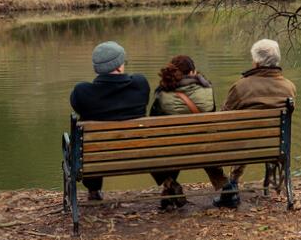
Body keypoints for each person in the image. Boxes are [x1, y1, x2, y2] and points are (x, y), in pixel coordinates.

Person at [212, 39, 296, 208]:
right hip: (276, 146)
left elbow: (223, 118)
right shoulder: (289, 87)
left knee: (241, 136)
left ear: (256, 62)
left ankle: (232, 185)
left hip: (244, 147)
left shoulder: (241, 87)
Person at [70, 41, 150, 201]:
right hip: (138, 153)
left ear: (97, 68)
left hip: (98, 156)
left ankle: (93, 190)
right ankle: (169, 183)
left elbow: (77, 106)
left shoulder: (82, 92)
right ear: (119, 66)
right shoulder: (140, 84)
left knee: (87, 145)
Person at [149, 55, 229, 210]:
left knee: (157, 145)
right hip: (204, 149)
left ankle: (169, 184)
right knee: (201, 140)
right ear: (193, 72)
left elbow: (154, 126)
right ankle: (226, 185)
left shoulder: (162, 96)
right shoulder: (207, 90)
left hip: (173, 151)